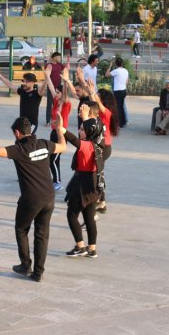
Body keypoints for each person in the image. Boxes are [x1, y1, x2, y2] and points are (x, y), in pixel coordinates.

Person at [0, 113, 67, 282]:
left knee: (21, 229)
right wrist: (59, 129)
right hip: (49, 196)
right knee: (42, 234)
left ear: (17, 133)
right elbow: (63, 146)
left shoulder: (19, 149)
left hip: (31, 198)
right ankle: (38, 272)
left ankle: (25, 264)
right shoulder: (43, 143)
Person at [63, 108, 105, 259]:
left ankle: (80, 246)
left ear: (89, 132)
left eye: (82, 129)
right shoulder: (96, 142)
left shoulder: (87, 146)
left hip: (84, 184)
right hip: (93, 184)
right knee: (88, 216)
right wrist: (85, 118)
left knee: (72, 214)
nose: (80, 131)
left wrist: (61, 128)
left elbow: (74, 140)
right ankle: (92, 248)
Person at [0, 65, 48, 134]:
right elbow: (10, 85)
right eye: (23, 81)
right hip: (22, 124)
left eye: (26, 82)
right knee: (20, 141)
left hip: (32, 124)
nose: (24, 83)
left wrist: (47, 77)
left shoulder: (36, 94)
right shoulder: (22, 91)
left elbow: (43, 87)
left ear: (33, 83)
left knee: (28, 140)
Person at [90, 88, 119, 214]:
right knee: (97, 175)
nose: (96, 97)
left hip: (104, 148)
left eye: (98, 96)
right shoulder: (98, 111)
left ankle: (100, 201)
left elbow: (97, 103)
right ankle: (101, 202)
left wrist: (92, 91)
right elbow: (93, 101)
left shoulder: (107, 112)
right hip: (98, 147)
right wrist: (85, 85)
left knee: (97, 175)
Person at [44, 67, 71, 191]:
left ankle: (57, 182)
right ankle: (56, 180)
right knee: (55, 159)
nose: (56, 94)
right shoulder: (56, 101)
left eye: (58, 92)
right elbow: (50, 87)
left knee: (52, 159)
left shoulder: (65, 103)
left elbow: (65, 94)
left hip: (61, 134)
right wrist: (47, 75)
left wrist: (65, 81)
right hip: (53, 133)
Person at [104, 57, 129, 128]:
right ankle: (124, 122)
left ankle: (120, 123)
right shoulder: (126, 71)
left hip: (118, 91)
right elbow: (127, 81)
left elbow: (106, 74)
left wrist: (110, 65)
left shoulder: (116, 71)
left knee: (118, 107)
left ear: (116, 64)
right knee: (121, 106)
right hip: (124, 90)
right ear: (122, 63)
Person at [45, 52, 66, 126]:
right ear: (54, 57)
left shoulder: (60, 65)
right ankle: (48, 121)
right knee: (49, 105)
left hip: (58, 89)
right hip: (51, 88)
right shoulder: (49, 65)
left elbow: (65, 71)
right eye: (58, 57)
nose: (59, 59)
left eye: (60, 57)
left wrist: (66, 68)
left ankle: (56, 120)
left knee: (57, 104)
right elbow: (46, 74)